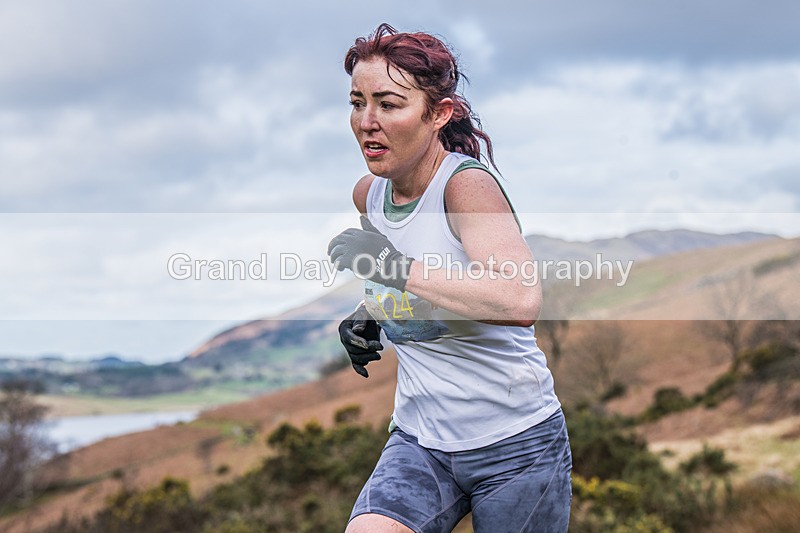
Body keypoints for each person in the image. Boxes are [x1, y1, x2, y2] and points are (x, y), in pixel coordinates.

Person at [328, 23, 572, 533]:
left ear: (438, 114)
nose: (367, 122)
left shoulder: (466, 189)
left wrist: (393, 269)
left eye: (389, 104)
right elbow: (417, 280)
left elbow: (518, 299)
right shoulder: (369, 195)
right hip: (421, 443)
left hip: (517, 446)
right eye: (357, 103)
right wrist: (371, 312)